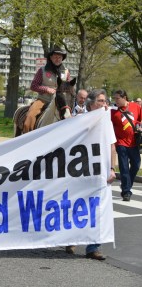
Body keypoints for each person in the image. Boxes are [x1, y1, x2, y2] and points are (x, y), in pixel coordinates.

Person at [65, 89, 116, 260]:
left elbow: (112, 146)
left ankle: (93, 247)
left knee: (97, 208)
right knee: (76, 204)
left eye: (105, 101)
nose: (104, 104)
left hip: (99, 171)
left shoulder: (107, 121)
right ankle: (71, 238)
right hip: (80, 170)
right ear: (91, 103)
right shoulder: (80, 119)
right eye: (100, 101)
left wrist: (112, 169)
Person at [23, 46, 70, 133]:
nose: (57, 59)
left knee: (70, 117)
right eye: (55, 57)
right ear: (51, 58)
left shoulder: (66, 72)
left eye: (60, 57)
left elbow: (68, 88)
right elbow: (33, 86)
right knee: (30, 117)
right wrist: (46, 89)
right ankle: (27, 137)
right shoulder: (42, 70)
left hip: (60, 101)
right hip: (43, 100)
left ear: (62, 58)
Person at [110, 89, 142, 202]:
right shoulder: (113, 112)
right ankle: (126, 192)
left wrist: (139, 126)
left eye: (118, 98)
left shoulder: (136, 107)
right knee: (124, 168)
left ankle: (126, 184)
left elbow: (140, 120)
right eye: (114, 98)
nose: (116, 101)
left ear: (125, 98)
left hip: (133, 142)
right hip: (121, 143)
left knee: (136, 165)